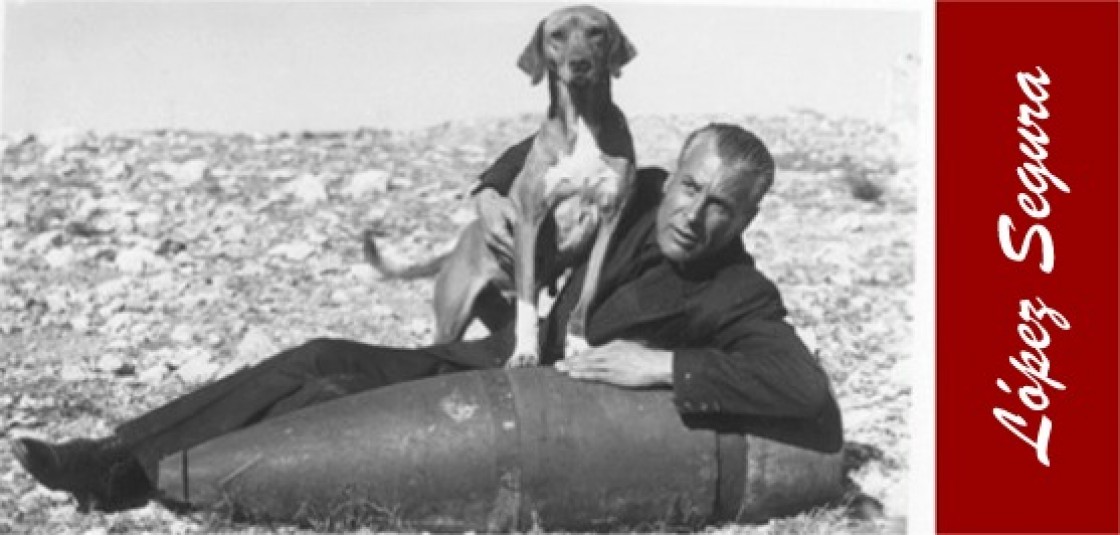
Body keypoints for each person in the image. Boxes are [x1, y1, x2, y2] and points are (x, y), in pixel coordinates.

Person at [11, 123, 841, 514]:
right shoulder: (639, 184)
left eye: (722, 207)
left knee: (330, 395)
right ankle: (115, 453)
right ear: (679, 171)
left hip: (533, 411)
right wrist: (489, 188)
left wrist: (661, 367)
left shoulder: (735, 290)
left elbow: (801, 386)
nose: (694, 214)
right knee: (318, 356)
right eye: (692, 188)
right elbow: (538, 153)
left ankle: (137, 479)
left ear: (748, 219)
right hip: (497, 362)